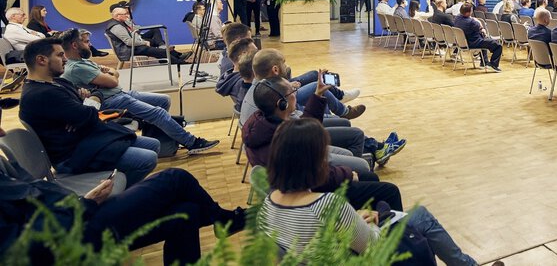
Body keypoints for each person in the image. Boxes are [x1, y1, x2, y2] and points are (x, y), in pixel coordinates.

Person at [258, 120, 492, 266]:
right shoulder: (327, 204)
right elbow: (373, 244)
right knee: (420, 216)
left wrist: (354, 220)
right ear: (315, 162)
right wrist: (369, 221)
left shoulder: (267, 206)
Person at [0, 131, 244, 266]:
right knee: (175, 178)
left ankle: (222, 220)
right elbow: (25, 246)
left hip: (72, 212)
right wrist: (86, 204)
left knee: (187, 213)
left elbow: (33, 189)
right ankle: (222, 219)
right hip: (71, 234)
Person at [242, 75, 404, 209]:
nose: (296, 93)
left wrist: (317, 96)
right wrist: (346, 174)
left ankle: (372, 220)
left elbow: (304, 133)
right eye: (293, 91)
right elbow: (314, 177)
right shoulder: (279, 141)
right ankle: (394, 239)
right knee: (390, 191)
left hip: (300, 186)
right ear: (282, 103)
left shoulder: (264, 124)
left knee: (370, 177)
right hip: (310, 196)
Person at [18, 37, 160, 187]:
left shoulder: (57, 82)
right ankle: (111, 198)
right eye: (60, 55)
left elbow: (93, 96)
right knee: (147, 158)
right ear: (41, 60)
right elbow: (90, 115)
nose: (66, 59)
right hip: (73, 155)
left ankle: (119, 187)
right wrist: (85, 108)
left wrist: (88, 104)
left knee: (154, 144)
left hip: (85, 139)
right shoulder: (41, 94)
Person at [60, 28, 219, 154]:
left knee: (163, 100)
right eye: (87, 42)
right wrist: (111, 72)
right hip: (112, 100)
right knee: (159, 113)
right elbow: (113, 79)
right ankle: (192, 143)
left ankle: (163, 141)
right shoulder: (77, 67)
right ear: (75, 45)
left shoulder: (81, 62)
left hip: (119, 94)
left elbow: (111, 75)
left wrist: (109, 72)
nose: (89, 45)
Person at [107, 5, 189, 64]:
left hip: (134, 44)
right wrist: (144, 42)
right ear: (117, 16)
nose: (127, 15)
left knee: (156, 42)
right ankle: (180, 63)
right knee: (162, 52)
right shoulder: (116, 26)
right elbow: (128, 42)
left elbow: (134, 29)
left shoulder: (122, 22)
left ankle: (176, 56)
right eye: (125, 14)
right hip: (130, 50)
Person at [454, 3, 503, 72]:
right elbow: (480, 26)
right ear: (468, 13)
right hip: (474, 43)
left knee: (484, 40)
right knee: (498, 46)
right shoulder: (471, 22)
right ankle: (493, 64)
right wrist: (480, 25)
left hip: (463, 42)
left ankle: (484, 62)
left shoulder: (457, 17)